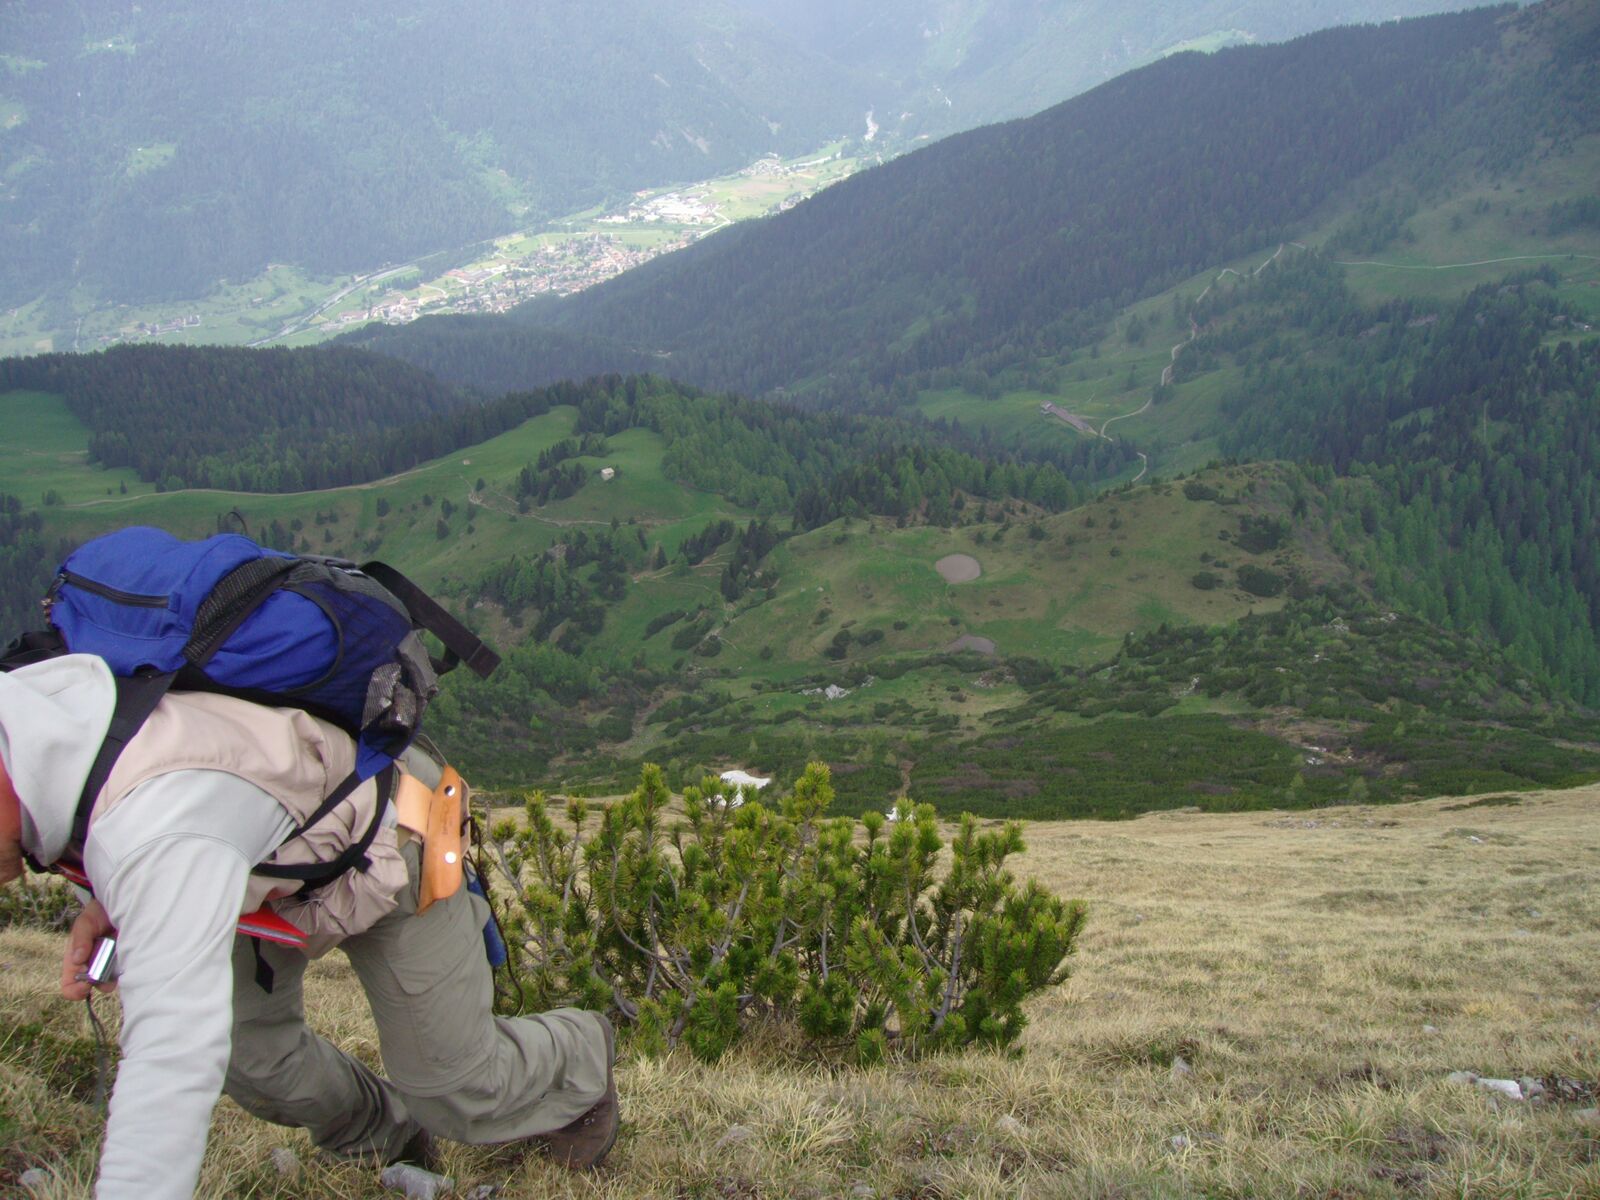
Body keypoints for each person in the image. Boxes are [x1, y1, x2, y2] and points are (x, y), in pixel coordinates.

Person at [0, 652, 619, 1199]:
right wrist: (109, 897)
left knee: (454, 1085)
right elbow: (143, 794)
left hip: (392, 832)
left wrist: (141, 877)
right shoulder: (35, 711)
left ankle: (581, 1056)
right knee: (251, 1056)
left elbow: (170, 1056)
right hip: (271, 861)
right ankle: (383, 1130)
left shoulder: (162, 831)